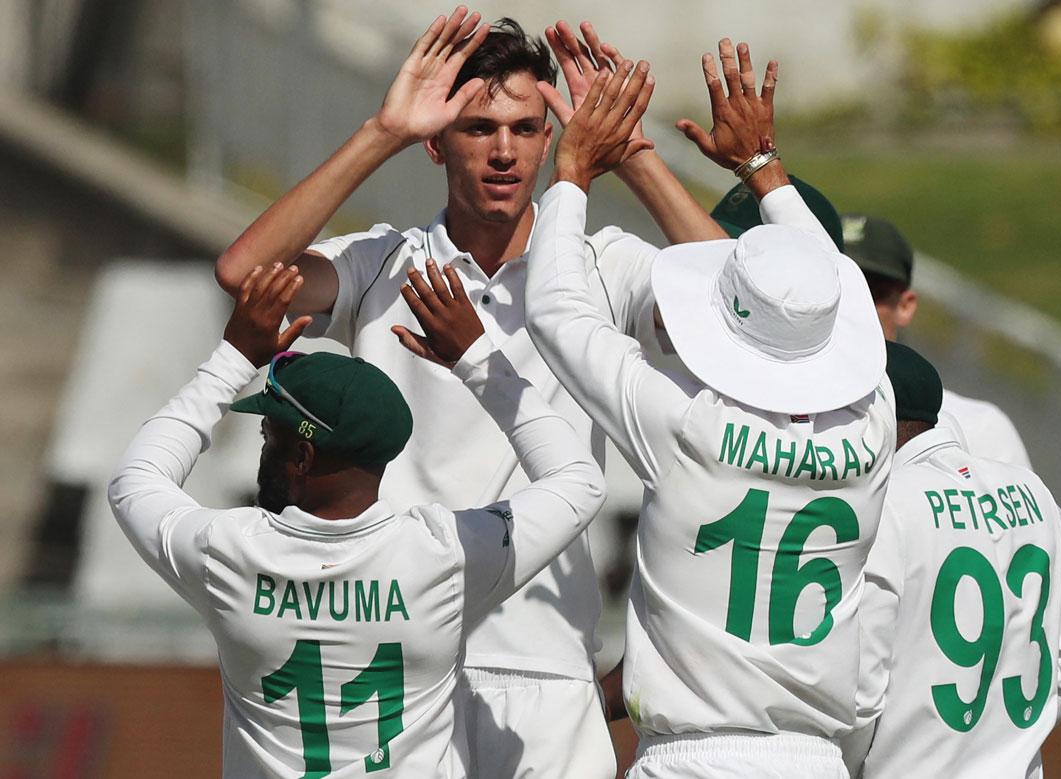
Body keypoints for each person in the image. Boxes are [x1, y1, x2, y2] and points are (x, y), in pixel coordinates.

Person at [212, 10, 723, 777]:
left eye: (525, 127)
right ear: (436, 139)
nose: (505, 151)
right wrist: (381, 129)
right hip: (410, 664)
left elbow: (733, 312)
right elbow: (243, 272)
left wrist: (631, 153)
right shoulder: (382, 261)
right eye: (479, 127)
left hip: (550, 663)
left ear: (550, 140)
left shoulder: (600, 262)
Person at [526, 43, 894, 778]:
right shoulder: (874, 422)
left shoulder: (689, 430)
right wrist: (765, 171)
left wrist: (573, 172)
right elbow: (835, 299)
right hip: (815, 760)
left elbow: (556, 312)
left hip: (691, 760)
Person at [108, 263, 606, 776]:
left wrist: (232, 358)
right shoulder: (442, 556)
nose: (263, 453)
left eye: (268, 439)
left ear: (302, 458)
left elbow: (135, 481)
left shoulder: (226, 552)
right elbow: (579, 481)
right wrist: (478, 362)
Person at [841, 342, 1061, 778]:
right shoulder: (1035, 493)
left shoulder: (884, 505)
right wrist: (1001, 746)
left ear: (873, 416)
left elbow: (860, 697)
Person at [712, 198, 1032, 468]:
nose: (857, 305)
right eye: (841, 289)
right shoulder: (769, 413)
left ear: (906, 305)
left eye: (872, 291)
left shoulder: (981, 427)